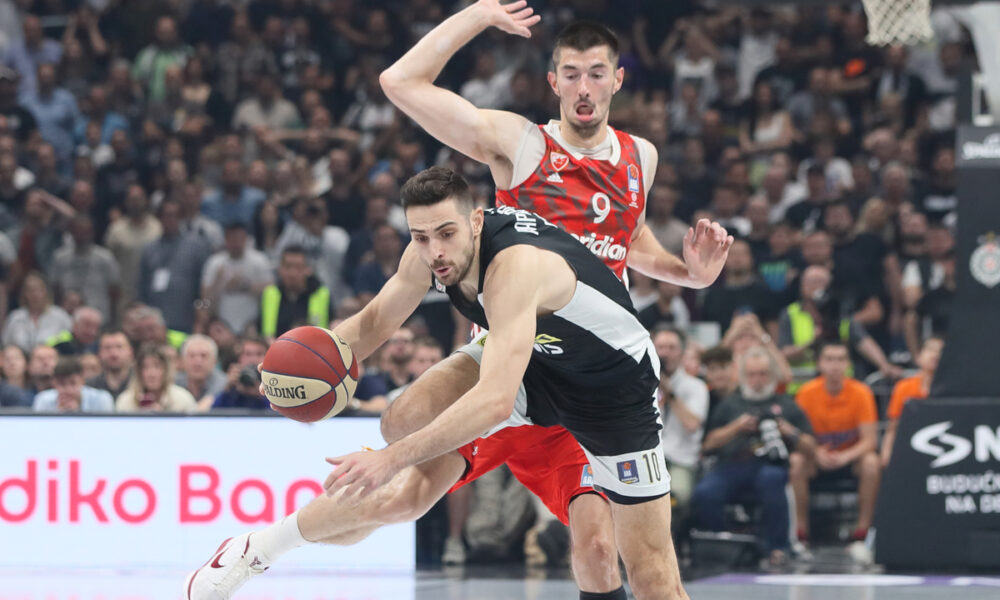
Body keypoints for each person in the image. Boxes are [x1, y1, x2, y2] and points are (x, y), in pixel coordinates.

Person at [185, 167, 731, 600]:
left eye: (446, 234)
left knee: (651, 578)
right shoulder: (428, 252)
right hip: (529, 364)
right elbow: (371, 325)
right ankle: (253, 551)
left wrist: (389, 460)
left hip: (609, 394)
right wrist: (295, 372)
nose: (435, 251)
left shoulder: (514, 268)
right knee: (402, 427)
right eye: (421, 237)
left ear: (475, 221)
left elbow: (493, 401)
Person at [693, 346, 816, 567]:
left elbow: (811, 446)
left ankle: (776, 547)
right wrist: (736, 427)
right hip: (732, 465)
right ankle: (726, 544)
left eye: (762, 374)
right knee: (705, 492)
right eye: (752, 374)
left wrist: (789, 431)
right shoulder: (730, 404)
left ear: (772, 375)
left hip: (769, 465)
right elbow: (708, 443)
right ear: (743, 376)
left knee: (773, 480)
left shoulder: (786, 404)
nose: (757, 380)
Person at [792, 341, 880, 546]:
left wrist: (845, 456)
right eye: (829, 359)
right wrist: (816, 453)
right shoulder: (806, 393)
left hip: (850, 457)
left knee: (872, 463)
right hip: (816, 458)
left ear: (848, 364)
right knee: (796, 461)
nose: (835, 365)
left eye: (840, 359)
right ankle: (800, 532)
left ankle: (863, 532)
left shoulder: (861, 392)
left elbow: (869, 440)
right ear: (820, 363)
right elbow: (797, 438)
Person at [653, 325, 708, 515]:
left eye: (671, 348)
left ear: (682, 353)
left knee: (675, 497)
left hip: (680, 460)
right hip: (650, 457)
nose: (665, 353)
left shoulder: (696, 387)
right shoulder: (642, 385)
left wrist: (669, 392)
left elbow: (692, 424)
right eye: (661, 347)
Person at [881, 336, 944, 466]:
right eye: (930, 349)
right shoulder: (903, 388)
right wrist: (886, 454)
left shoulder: (952, 388)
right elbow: (893, 428)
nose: (935, 355)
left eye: (940, 351)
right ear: (919, 357)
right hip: (908, 446)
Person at [258, 245, 331, 340]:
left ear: (307, 270)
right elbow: (261, 330)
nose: (292, 273)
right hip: (275, 347)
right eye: (288, 267)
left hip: (312, 347)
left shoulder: (321, 294)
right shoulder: (270, 294)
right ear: (280, 269)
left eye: (298, 267)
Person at [116, 343, 197, 413]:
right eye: (145, 367)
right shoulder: (125, 402)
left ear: (166, 370)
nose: (151, 374)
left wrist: (161, 417)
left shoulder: (183, 400)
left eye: (157, 367)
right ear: (139, 372)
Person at [32, 356, 113, 413]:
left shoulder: (102, 399)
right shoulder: (43, 400)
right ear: (54, 383)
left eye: (73, 383)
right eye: (62, 384)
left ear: (82, 381)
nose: (68, 390)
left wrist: (76, 414)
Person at [176, 334, 227, 411]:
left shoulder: (223, 383)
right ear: (182, 361)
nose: (197, 362)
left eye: (204, 356)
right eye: (192, 356)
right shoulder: (173, 382)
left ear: (215, 361)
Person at [86, 330, 134, 398]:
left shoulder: (141, 384)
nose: (114, 353)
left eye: (119, 347)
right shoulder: (90, 388)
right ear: (99, 353)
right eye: (107, 348)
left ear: (130, 351)